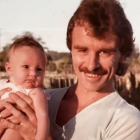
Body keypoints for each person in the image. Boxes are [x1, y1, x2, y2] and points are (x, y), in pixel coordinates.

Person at [0, 0, 140, 140]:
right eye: (82, 50)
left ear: (122, 55)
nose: (92, 65)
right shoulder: (42, 98)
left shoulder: (125, 121)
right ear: (71, 49)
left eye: (105, 52)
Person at [0, 35, 49, 140]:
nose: (33, 73)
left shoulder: (35, 93)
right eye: (26, 67)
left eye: (39, 69)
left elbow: (43, 119)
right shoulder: (2, 85)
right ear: (9, 68)